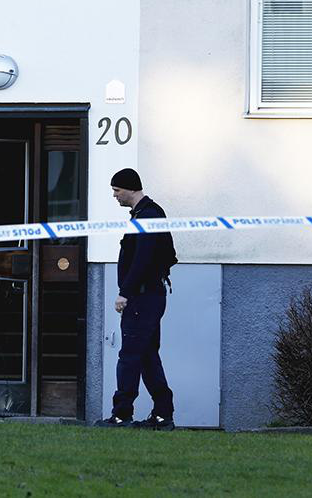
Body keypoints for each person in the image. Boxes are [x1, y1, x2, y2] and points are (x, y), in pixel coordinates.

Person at [95, 168, 177, 431]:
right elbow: (168, 255)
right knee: (147, 356)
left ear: (130, 188)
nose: (115, 196)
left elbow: (142, 259)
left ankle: (121, 414)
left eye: (116, 190)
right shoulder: (148, 214)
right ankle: (163, 415)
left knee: (129, 356)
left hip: (142, 298)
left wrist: (125, 292)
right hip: (149, 296)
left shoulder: (148, 215)